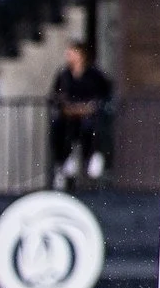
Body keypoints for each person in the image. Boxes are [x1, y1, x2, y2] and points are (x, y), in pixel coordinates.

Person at [48, 41, 113, 188]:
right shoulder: (64, 75)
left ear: (81, 55)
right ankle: (65, 160)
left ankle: (92, 158)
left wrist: (88, 108)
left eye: (72, 53)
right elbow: (57, 95)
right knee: (59, 128)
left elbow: (103, 96)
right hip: (68, 117)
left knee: (90, 129)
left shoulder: (94, 75)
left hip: (90, 117)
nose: (68, 57)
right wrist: (69, 108)